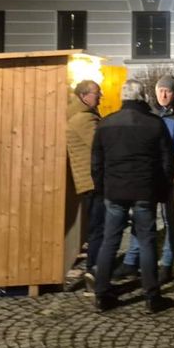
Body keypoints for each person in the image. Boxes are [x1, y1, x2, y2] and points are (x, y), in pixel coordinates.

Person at [91, 79, 174, 313]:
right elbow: (167, 161)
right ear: (142, 97)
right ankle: (152, 296)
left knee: (110, 241)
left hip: (114, 190)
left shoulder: (106, 123)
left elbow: (96, 162)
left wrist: (101, 188)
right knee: (147, 242)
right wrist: (162, 189)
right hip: (144, 190)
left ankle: (101, 294)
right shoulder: (155, 123)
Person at [119, 75, 174, 284]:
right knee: (142, 219)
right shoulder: (149, 114)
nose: (164, 95)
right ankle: (131, 260)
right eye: (160, 91)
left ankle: (166, 264)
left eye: (168, 91)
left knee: (171, 222)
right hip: (150, 174)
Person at [66, 80, 103, 292]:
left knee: (95, 227)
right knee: (99, 228)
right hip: (93, 180)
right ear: (83, 96)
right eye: (97, 93)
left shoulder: (79, 116)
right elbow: (101, 145)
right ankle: (94, 271)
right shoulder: (84, 119)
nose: (100, 97)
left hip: (87, 180)